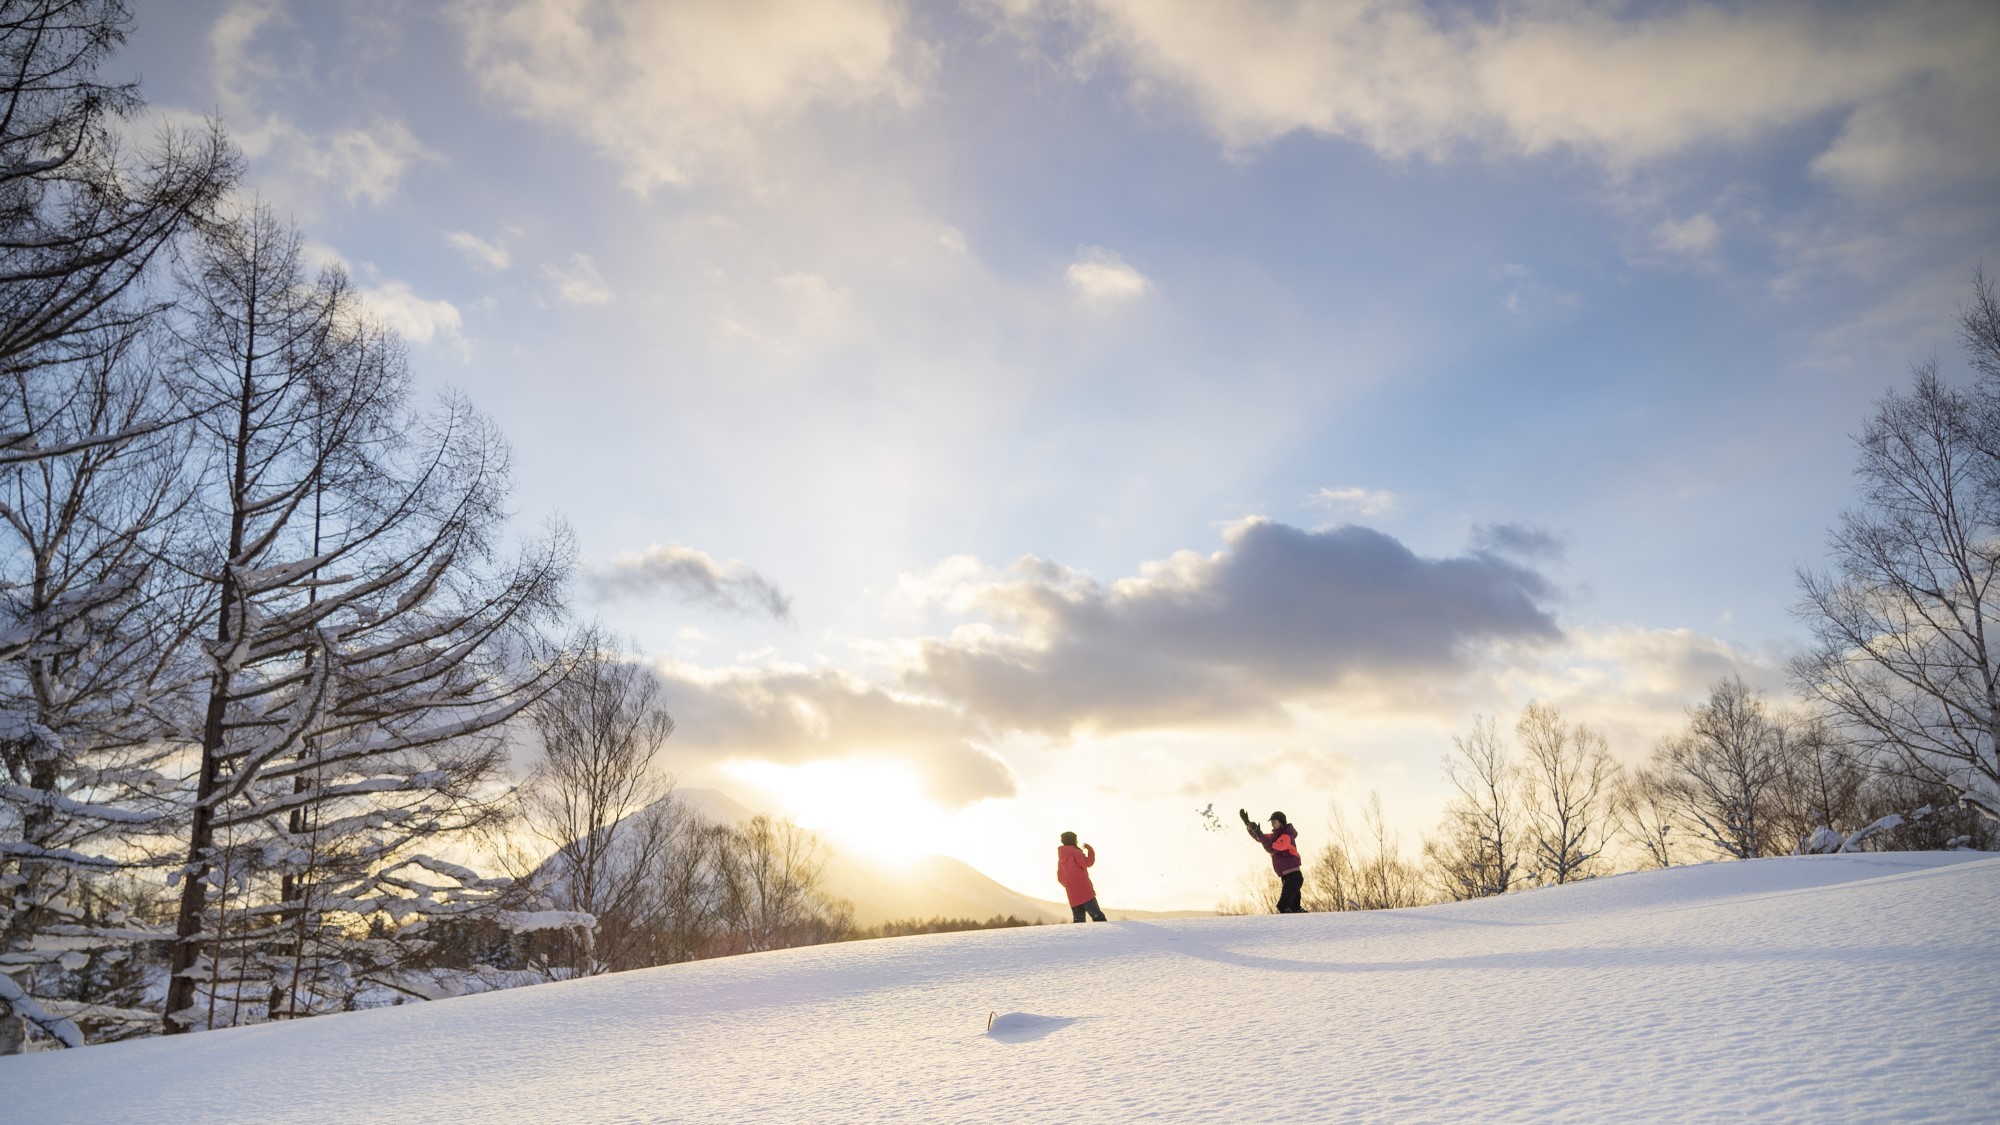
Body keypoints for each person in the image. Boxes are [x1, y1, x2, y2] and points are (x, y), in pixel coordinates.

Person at [1240, 809, 1304, 913]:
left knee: (1283, 906)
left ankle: (1293, 927)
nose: (1272, 824)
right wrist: (1248, 824)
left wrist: (1259, 833)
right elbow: (1260, 838)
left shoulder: (1286, 837)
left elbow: (1270, 848)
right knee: (1294, 909)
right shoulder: (1274, 837)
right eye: (1271, 822)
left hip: (1294, 877)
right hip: (1286, 877)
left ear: (1281, 822)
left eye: (1274, 822)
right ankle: (1298, 924)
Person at [1055, 831, 1107, 923]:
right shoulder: (1076, 852)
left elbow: (1060, 876)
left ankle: (1079, 938)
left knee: (1079, 922)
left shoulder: (1061, 857)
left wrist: (1069, 885)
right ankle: (1106, 936)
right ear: (1074, 840)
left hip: (1072, 893)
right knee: (1098, 917)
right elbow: (1088, 862)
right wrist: (1090, 850)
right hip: (1085, 891)